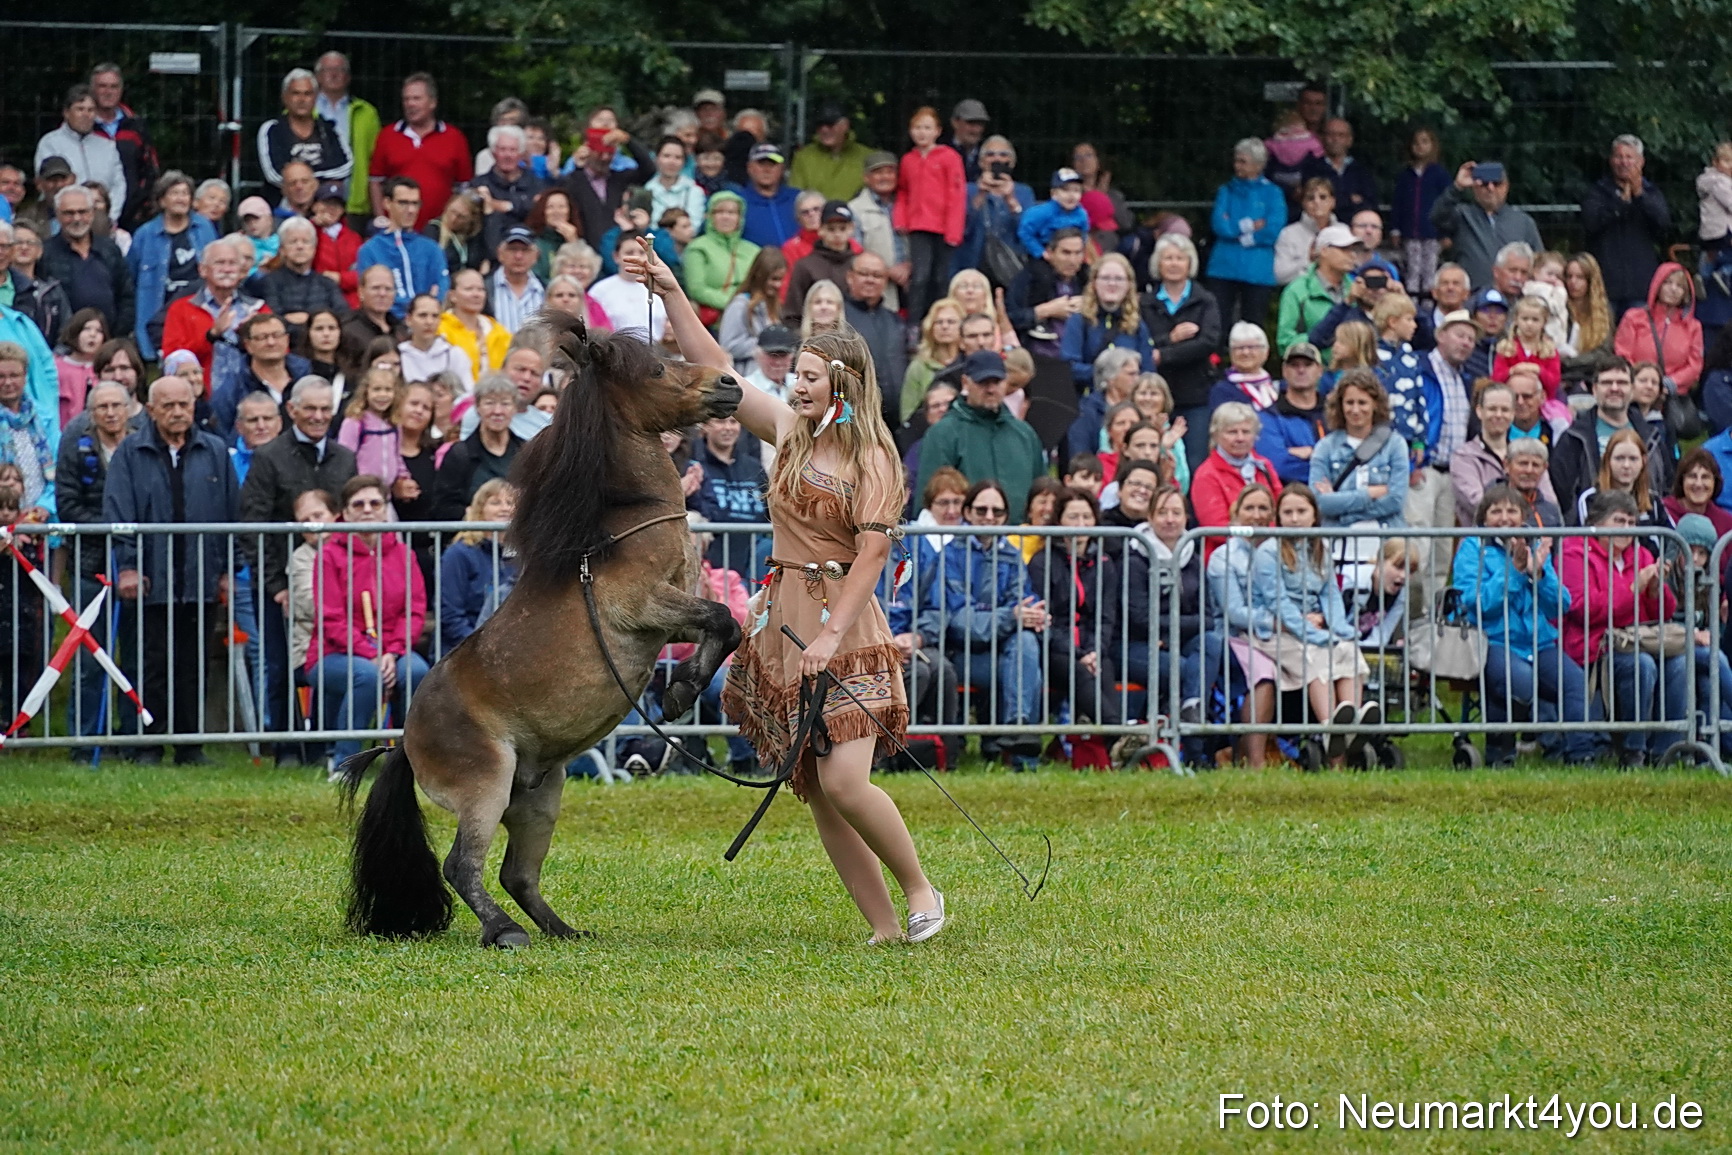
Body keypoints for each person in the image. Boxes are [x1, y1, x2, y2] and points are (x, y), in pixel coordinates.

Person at [628, 236, 942, 943]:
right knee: (817, 789)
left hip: (846, 624)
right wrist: (671, 290)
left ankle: (922, 887)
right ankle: (885, 927)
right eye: (793, 375)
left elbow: (871, 555)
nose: (795, 386)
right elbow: (715, 369)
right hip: (782, 618)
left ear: (843, 383)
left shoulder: (872, 457)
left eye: (807, 376)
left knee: (848, 781)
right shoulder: (789, 434)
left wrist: (832, 636)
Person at [104, 374, 237, 763]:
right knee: (148, 665)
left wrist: (227, 570)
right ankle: (145, 744)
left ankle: (189, 746)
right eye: (169, 406)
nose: (178, 412)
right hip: (149, 579)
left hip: (200, 578)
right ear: (150, 410)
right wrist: (127, 566)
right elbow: (118, 513)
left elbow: (233, 514)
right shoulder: (131, 452)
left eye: (184, 404)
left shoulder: (214, 450)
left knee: (194, 666)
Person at [238, 374, 357, 762]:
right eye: (311, 409)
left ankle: (323, 746)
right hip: (281, 584)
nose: (319, 416)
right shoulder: (269, 456)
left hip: (337, 585)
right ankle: (287, 747)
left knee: (330, 661)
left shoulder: (345, 457)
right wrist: (275, 585)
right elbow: (253, 527)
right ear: (292, 410)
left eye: (326, 409)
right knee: (279, 665)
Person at [1453, 484, 1599, 764]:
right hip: (1492, 640)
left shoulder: (1535, 545)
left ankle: (1581, 755)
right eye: (1496, 511)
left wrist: (1541, 573)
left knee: (1574, 682)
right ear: (1484, 519)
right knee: (1517, 681)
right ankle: (1500, 753)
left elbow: (1560, 605)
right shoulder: (1473, 547)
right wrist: (1516, 573)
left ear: (1524, 517)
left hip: (1538, 642)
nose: (1505, 518)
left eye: (1512, 511)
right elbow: (1478, 603)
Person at [1248, 484, 1373, 766]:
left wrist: (1340, 629)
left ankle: (1350, 726)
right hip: (1276, 632)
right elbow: (1277, 602)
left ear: (1314, 515)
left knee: (1347, 651)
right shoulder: (1269, 551)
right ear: (1278, 517)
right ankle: (1332, 731)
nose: (1294, 518)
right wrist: (1312, 634)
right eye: (1288, 512)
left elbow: (1330, 594)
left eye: (1301, 511)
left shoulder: (1319, 547)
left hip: (1313, 628)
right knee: (1316, 658)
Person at [309, 474, 429, 764]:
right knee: (366, 676)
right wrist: (371, 653)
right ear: (345, 513)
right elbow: (330, 617)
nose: (367, 509)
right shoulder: (328, 555)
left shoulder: (403, 554)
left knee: (417, 671)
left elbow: (413, 610)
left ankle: (405, 760)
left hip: (392, 650)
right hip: (334, 653)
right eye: (358, 504)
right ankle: (344, 762)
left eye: (375, 503)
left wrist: (393, 651)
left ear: (386, 509)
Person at [1560, 490, 1678, 766]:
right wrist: (1632, 587)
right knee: (1641, 665)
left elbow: (1665, 613)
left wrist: (1654, 590)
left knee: (1686, 661)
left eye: (1631, 522)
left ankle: (1667, 751)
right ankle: (1633, 751)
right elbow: (1583, 610)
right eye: (1619, 521)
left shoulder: (1642, 554)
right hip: (1594, 643)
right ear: (1597, 523)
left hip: (1641, 638)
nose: (1627, 529)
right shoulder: (1574, 552)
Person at [1025, 487, 1120, 767]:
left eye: (1086, 517)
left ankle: (1105, 755)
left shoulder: (1104, 563)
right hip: (1054, 647)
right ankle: (1119, 736)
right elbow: (1046, 619)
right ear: (1059, 521)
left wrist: (1094, 651)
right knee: (1079, 671)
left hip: (1089, 645)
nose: (1080, 525)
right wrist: (1079, 653)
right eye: (1073, 517)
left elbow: (1105, 617)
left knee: (1104, 669)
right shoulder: (1042, 562)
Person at [915, 350, 1045, 522]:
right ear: (965, 383)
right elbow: (928, 499)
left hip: (1019, 543)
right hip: (960, 543)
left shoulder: (1025, 434)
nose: (991, 389)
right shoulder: (943, 433)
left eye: (997, 382)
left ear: (1006, 382)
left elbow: (1041, 494)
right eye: (983, 382)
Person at [1550, 357, 1675, 523]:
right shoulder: (1574, 438)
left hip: (1644, 529)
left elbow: (1666, 486)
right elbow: (1562, 493)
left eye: (1622, 382)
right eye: (1607, 383)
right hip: (1589, 534)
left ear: (1631, 389)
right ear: (1594, 389)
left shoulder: (1653, 436)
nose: (1614, 388)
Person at [1206, 482, 1279, 766]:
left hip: (1276, 633)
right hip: (1234, 637)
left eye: (1263, 508)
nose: (1257, 515)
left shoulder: (1280, 552)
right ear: (1235, 513)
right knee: (1264, 671)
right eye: (1250, 508)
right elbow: (1234, 612)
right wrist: (1276, 622)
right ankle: (1256, 761)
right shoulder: (1223, 557)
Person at [1142, 234, 1222, 466]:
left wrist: (1163, 354)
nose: (1174, 263)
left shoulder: (1205, 300)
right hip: (1155, 396)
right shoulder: (1145, 303)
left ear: (1190, 263)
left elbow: (1208, 342)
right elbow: (1143, 343)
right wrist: (1172, 338)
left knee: (1195, 460)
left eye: (1180, 258)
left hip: (1195, 395)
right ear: (1158, 263)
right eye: (1168, 258)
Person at [1309, 367, 1408, 543]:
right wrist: (1368, 494)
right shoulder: (1325, 447)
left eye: (1362, 403)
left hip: (1387, 542)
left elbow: (1395, 500)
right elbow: (1320, 503)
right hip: (1338, 543)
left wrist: (1344, 512)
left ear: (1375, 404)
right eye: (1349, 402)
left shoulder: (1395, 444)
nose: (1355, 410)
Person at [127, 172, 217, 360]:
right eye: (174, 193)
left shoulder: (205, 227)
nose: (181, 198)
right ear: (161, 200)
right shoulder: (145, 234)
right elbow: (131, 276)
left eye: (185, 193)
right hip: (158, 313)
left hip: (198, 309)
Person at [369, 73, 471, 234]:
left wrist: (453, 222)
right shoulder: (387, 136)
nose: (410, 104)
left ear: (432, 102)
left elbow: (463, 187)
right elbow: (376, 182)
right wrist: (381, 219)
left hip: (441, 230)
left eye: (416, 99)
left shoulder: (454, 138)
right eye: (406, 99)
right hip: (396, 228)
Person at [1582, 135, 1672, 317]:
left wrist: (1639, 196)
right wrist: (1619, 204)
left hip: (1640, 284)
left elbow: (1664, 225)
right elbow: (1590, 223)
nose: (1624, 162)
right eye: (1619, 157)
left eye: (1629, 157)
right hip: (1606, 284)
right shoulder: (1598, 192)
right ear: (1610, 160)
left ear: (1641, 162)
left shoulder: (1651, 193)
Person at [894, 107, 966, 329]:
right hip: (918, 225)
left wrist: (954, 230)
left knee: (941, 278)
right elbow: (904, 191)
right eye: (917, 128)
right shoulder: (908, 160)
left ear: (937, 131)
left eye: (927, 128)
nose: (921, 133)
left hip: (943, 227)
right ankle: (914, 324)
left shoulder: (949, 157)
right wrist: (901, 219)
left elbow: (956, 194)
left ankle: (940, 321)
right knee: (920, 277)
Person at [1204, 138, 1285, 330]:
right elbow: (1219, 225)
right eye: (1236, 160)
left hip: (1257, 270)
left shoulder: (1273, 193)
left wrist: (1241, 235)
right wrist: (1248, 226)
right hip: (1223, 267)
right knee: (1218, 323)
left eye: (1243, 161)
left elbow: (1272, 230)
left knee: (1253, 324)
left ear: (1258, 165)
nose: (1237, 165)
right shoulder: (1226, 190)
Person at [1426, 159, 1543, 290]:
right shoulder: (1461, 215)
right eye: (1484, 184)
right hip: (1471, 296)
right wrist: (1457, 187)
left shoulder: (1524, 222)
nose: (1490, 188)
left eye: (1497, 183)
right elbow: (1436, 216)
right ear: (1475, 187)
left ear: (1506, 186)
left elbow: (1539, 262)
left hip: (1513, 297)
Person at [38, 186, 132, 337]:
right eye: (69, 213)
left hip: (108, 344)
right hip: (62, 346)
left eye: (82, 212)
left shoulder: (109, 249)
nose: (76, 218)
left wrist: (114, 337)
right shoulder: (45, 253)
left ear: (92, 213)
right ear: (57, 215)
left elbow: (126, 296)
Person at [438, 478, 517, 654]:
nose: (505, 508)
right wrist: (478, 648)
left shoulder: (523, 555)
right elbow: (451, 615)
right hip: (467, 649)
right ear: (479, 510)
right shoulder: (459, 554)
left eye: (510, 502)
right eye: (495, 502)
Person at [1190, 402, 1282, 551]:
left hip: (1269, 551)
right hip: (1226, 556)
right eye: (1232, 432)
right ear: (1216, 435)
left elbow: (1279, 509)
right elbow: (1216, 527)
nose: (1240, 438)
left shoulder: (1265, 465)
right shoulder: (1206, 474)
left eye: (1246, 432)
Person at [34, 85, 126, 226]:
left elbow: (118, 185)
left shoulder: (107, 146)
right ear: (66, 113)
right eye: (80, 109)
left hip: (102, 221)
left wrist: (111, 216)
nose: (86, 115)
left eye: (90, 110)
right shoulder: (50, 143)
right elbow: (47, 185)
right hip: (64, 220)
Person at [356, 177, 449, 314]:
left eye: (415, 203)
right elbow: (372, 295)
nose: (411, 210)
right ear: (387, 203)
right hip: (389, 324)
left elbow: (441, 288)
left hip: (428, 322)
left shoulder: (432, 248)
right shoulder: (370, 249)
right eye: (403, 203)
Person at [209, 312, 309, 439]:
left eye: (277, 335)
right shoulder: (231, 388)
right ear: (248, 345)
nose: (271, 342)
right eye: (262, 337)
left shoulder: (307, 377)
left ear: (287, 339)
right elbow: (220, 434)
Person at [434, 374, 522, 516]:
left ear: (515, 408)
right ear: (477, 407)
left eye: (505, 403)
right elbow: (442, 507)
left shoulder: (525, 452)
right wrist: (475, 514)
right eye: (489, 403)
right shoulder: (459, 454)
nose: (497, 411)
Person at [1060, 252, 1153, 386]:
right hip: (1089, 402)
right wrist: (1114, 376)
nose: (1112, 283)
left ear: (1129, 285)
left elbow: (1147, 371)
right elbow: (1069, 367)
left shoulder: (1137, 325)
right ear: (1094, 283)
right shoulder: (1079, 321)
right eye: (1105, 278)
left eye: (1119, 279)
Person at [311, 53, 380, 228]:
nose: (333, 74)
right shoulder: (304, 110)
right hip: (313, 199)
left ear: (348, 77)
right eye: (327, 70)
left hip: (354, 203)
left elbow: (376, 159)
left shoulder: (367, 113)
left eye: (339, 70)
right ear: (318, 77)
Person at [1613, 262, 1703, 396]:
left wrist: (1671, 382)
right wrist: (1643, 381)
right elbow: (1622, 354)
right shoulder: (1633, 317)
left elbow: (1695, 365)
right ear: (1657, 285)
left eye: (1680, 286)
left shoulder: (1693, 327)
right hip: (1634, 390)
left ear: (1686, 293)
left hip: (1672, 394)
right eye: (1667, 282)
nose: (1673, 289)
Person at [257, 69, 351, 194]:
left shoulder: (330, 129)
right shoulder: (272, 130)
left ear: (316, 97)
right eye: (296, 93)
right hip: (282, 206)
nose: (302, 99)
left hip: (325, 204)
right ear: (285, 97)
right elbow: (273, 175)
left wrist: (302, 180)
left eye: (308, 94)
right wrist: (314, 180)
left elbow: (345, 167)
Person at [842, 252, 906, 425]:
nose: (870, 280)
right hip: (857, 420)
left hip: (896, 422)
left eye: (877, 276)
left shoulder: (895, 321)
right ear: (850, 277)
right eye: (864, 274)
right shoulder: (839, 319)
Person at [1276, 222, 1359, 356]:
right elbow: (1285, 343)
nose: (1352, 255)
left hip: (1353, 372)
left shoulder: (1357, 288)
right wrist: (1313, 344)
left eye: (1353, 249)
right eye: (1344, 249)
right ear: (1324, 251)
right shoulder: (1297, 291)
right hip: (1312, 371)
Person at [1004, 226, 1087, 356]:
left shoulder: (1088, 279)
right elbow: (1009, 317)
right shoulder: (1030, 277)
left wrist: (1090, 305)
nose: (1072, 260)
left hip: (1077, 355)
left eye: (1078, 253)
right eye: (1066, 253)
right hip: (1036, 354)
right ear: (1050, 253)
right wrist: (1045, 310)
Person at [0, 340, 58, 519]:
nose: (7, 382)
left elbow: (61, 469)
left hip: (40, 522)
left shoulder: (45, 417)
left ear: (25, 376)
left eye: (14, 375)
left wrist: (43, 508)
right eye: (0, 376)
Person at [1256, 341, 1327, 485]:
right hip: (1290, 498)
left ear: (1320, 370)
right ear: (1284, 370)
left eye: (1307, 365)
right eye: (1294, 365)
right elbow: (1278, 466)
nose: (1301, 370)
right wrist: (1328, 468)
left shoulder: (1335, 412)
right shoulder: (1268, 417)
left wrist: (1311, 454)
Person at [683, 191, 759, 325]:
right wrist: (734, 304)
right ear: (710, 216)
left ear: (740, 218)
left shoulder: (754, 250)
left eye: (732, 212)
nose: (726, 217)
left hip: (753, 317)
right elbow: (697, 289)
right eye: (719, 212)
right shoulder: (698, 248)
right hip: (716, 321)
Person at [336, 366, 411, 497]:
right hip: (360, 493)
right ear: (366, 392)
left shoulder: (394, 424)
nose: (382, 395)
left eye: (388, 390)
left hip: (386, 495)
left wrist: (403, 477)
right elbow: (344, 459)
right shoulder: (355, 422)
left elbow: (396, 456)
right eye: (377, 389)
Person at [785, 201, 860, 325]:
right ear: (820, 230)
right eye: (831, 229)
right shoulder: (805, 266)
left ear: (852, 228)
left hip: (855, 335)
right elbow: (793, 313)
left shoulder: (859, 264)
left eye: (842, 228)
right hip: (817, 336)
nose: (837, 234)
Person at [848, 151, 905, 313]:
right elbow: (854, 253)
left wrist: (909, 265)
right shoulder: (855, 209)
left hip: (910, 286)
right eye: (878, 172)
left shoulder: (907, 204)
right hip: (877, 291)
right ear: (866, 178)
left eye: (889, 172)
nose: (885, 177)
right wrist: (887, 271)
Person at [472, 125, 542, 254]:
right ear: (493, 153)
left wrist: (507, 206)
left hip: (527, 251)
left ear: (521, 154)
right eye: (502, 149)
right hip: (488, 253)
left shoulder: (536, 184)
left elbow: (540, 211)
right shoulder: (479, 184)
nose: (508, 155)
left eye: (513, 150)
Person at [718, 248, 786, 375]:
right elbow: (728, 347)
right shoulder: (739, 305)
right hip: (747, 378)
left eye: (781, 279)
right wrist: (767, 343)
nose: (778, 285)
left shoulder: (773, 305)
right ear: (760, 276)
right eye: (774, 279)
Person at [436, 267, 510, 381]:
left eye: (481, 289)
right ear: (452, 296)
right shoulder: (440, 328)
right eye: (469, 289)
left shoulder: (498, 330)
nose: (476, 294)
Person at [900, 296, 964, 422]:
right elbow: (907, 414)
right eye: (938, 322)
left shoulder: (968, 362)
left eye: (951, 322)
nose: (944, 326)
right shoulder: (919, 367)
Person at [789, 106, 872, 203]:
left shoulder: (867, 156)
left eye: (830, 124)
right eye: (820, 125)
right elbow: (796, 197)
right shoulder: (803, 156)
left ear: (845, 125)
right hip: (814, 216)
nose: (824, 130)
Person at [1300, 118, 1377, 218]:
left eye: (1341, 135)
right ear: (1322, 138)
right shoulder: (1311, 168)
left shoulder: (1361, 170)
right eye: (1330, 134)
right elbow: (1313, 202)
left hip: (1354, 229)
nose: (1335, 139)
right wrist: (1350, 199)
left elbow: (1370, 204)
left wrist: (1334, 200)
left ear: (1350, 140)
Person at [398, 292, 472, 388]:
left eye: (435, 316)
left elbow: (467, 394)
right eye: (422, 315)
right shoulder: (398, 355)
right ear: (408, 319)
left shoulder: (455, 354)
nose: (429, 322)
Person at [1015, 167, 1089, 264]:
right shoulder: (1039, 213)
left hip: (1071, 255)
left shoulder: (1081, 214)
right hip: (1043, 255)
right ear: (1053, 193)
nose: (1071, 195)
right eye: (1065, 190)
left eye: (1076, 191)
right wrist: (1040, 252)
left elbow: (1084, 235)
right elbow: (1024, 233)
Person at [1275, 178, 1336, 286]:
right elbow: (1279, 275)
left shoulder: (1343, 231)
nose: (1317, 202)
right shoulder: (1289, 234)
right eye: (1310, 198)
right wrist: (1307, 260)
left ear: (1332, 202)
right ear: (1303, 203)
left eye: (1323, 197)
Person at [485, 225, 545, 334]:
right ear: (500, 254)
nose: (518, 256)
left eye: (525, 250)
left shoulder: (546, 289)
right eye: (512, 249)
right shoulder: (484, 288)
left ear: (536, 256)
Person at [1663, 447, 1732, 541]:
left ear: (1715, 482)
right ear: (1682, 480)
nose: (1698, 484)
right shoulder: (1663, 513)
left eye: (1705, 477)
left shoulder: (1726, 523)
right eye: (1692, 476)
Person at [1208, 322, 1279, 412]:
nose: (1245, 352)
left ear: (1266, 352)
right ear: (1231, 353)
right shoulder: (1221, 390)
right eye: (1239, 348)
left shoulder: (1281, 389)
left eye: (1252, 347)